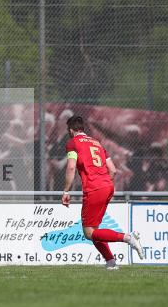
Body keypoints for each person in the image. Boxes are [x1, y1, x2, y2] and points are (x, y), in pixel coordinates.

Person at [61, 115, 144, 269]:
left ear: (71, 130)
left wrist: (66, 191)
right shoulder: (97, 144)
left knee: (89, 232)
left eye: (68, 130)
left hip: (94, 188)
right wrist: (104, 185)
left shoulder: (73, 143)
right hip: (107, 186)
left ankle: (128, 238)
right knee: (95, 230)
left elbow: (71, 167)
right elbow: (112, 169)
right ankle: (111, 262)